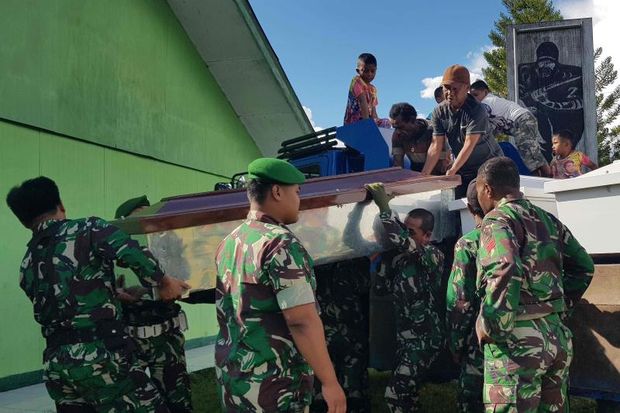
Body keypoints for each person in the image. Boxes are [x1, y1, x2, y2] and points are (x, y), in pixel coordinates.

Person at [5, 176, 189, 412]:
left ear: (24, 221)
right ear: (60, 204)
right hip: (101, 358)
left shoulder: (28, 261)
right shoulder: (86, 229)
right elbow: (130, 250)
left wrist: (113, 294)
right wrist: (163, 282)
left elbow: (63, 301)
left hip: (58, 366)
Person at [214, 158, 346, 413]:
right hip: (274, 386)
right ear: (277, 192)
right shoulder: (280, 244)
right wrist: (330, 383)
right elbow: (301, 320)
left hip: (236, 380)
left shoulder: (230, 242)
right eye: (297, 192)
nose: (299, 200)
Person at [475, 157, 594, 412]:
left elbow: (505, 265)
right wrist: (559, 307)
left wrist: (493, 324)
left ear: (487, 189)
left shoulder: (497, 220)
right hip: (556, 337)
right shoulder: (547, 219)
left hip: (518, 342)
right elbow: (584, 266)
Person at [366, 183, 444, 413]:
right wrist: (384, 260)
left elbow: (402, 240)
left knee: (395, 394)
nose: (405, 235)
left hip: (425, 339)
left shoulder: (432, 255)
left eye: (412, 232)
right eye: (405, 229)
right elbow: (380, 289)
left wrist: (384, 208)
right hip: (406, 338)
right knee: (407, 396)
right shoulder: (400, 259)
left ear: (427, 236)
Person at [115, 195, 192, 413]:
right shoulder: (113, 255)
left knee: (177, 401)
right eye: (140, 215)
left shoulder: (169, 249)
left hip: (166, 341)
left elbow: (186, 281)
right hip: (130, 342)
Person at [422, 65, 503, 198]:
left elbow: (469, 144)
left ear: (467, 88)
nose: (450, 93)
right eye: (446, 88)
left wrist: (452, 170)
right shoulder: (438, 112)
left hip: (490, 166)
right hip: (465, 169)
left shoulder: (476, 110)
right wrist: (424, 176)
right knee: (452, 202)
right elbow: (436, 145)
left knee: (483, 199)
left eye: (455, 88)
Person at [445, 180, 485, 413]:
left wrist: (456, 344)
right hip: (537, 341)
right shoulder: (533, 231)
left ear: (470, 209)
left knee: (473, 400)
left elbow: (459, 302)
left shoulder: (469, 244)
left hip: (483, 342)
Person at [470, 80, 550, 177]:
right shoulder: (494, 106)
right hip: (524, 119)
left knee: (527, 150)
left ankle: (542, 175)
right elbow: (490, 132)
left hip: (522, 119)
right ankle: (544, 174)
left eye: (476, 95)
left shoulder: (487, 102)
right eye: (471, 96)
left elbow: (480, 120)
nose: (474, 99)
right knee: (531, 150)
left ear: (486, 92)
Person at [518, 41, 585, 159]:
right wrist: (529, 98)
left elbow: (578, 103)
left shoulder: (571, 75)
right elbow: (519, 97)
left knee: (564, 148)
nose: (545, 66)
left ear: (556, 62)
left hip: (563, 117)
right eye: (542, 62)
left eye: (549, 63)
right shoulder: (525, 72)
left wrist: (548, 102)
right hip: (539, 115)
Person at [389, 102, 450, 174]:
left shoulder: (434, 132)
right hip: (417, 175)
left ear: (412, 120)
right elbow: (398, 165)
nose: (398, 132)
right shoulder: (397, 135)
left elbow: (441, 166)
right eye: (395, 128)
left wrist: (423, 178)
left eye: (401, 127)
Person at [344, 53, 390, 127]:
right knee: (368, 125)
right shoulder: (356, 81)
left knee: (386, 122)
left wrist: (376, 123)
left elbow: (373, 110)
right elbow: (363, 102)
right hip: (354, 122)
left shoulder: (373, 89)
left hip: (368, 119)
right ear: (358, 71)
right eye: (365, 71)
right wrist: (367, 124)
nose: (369, 74)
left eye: (372, 71)